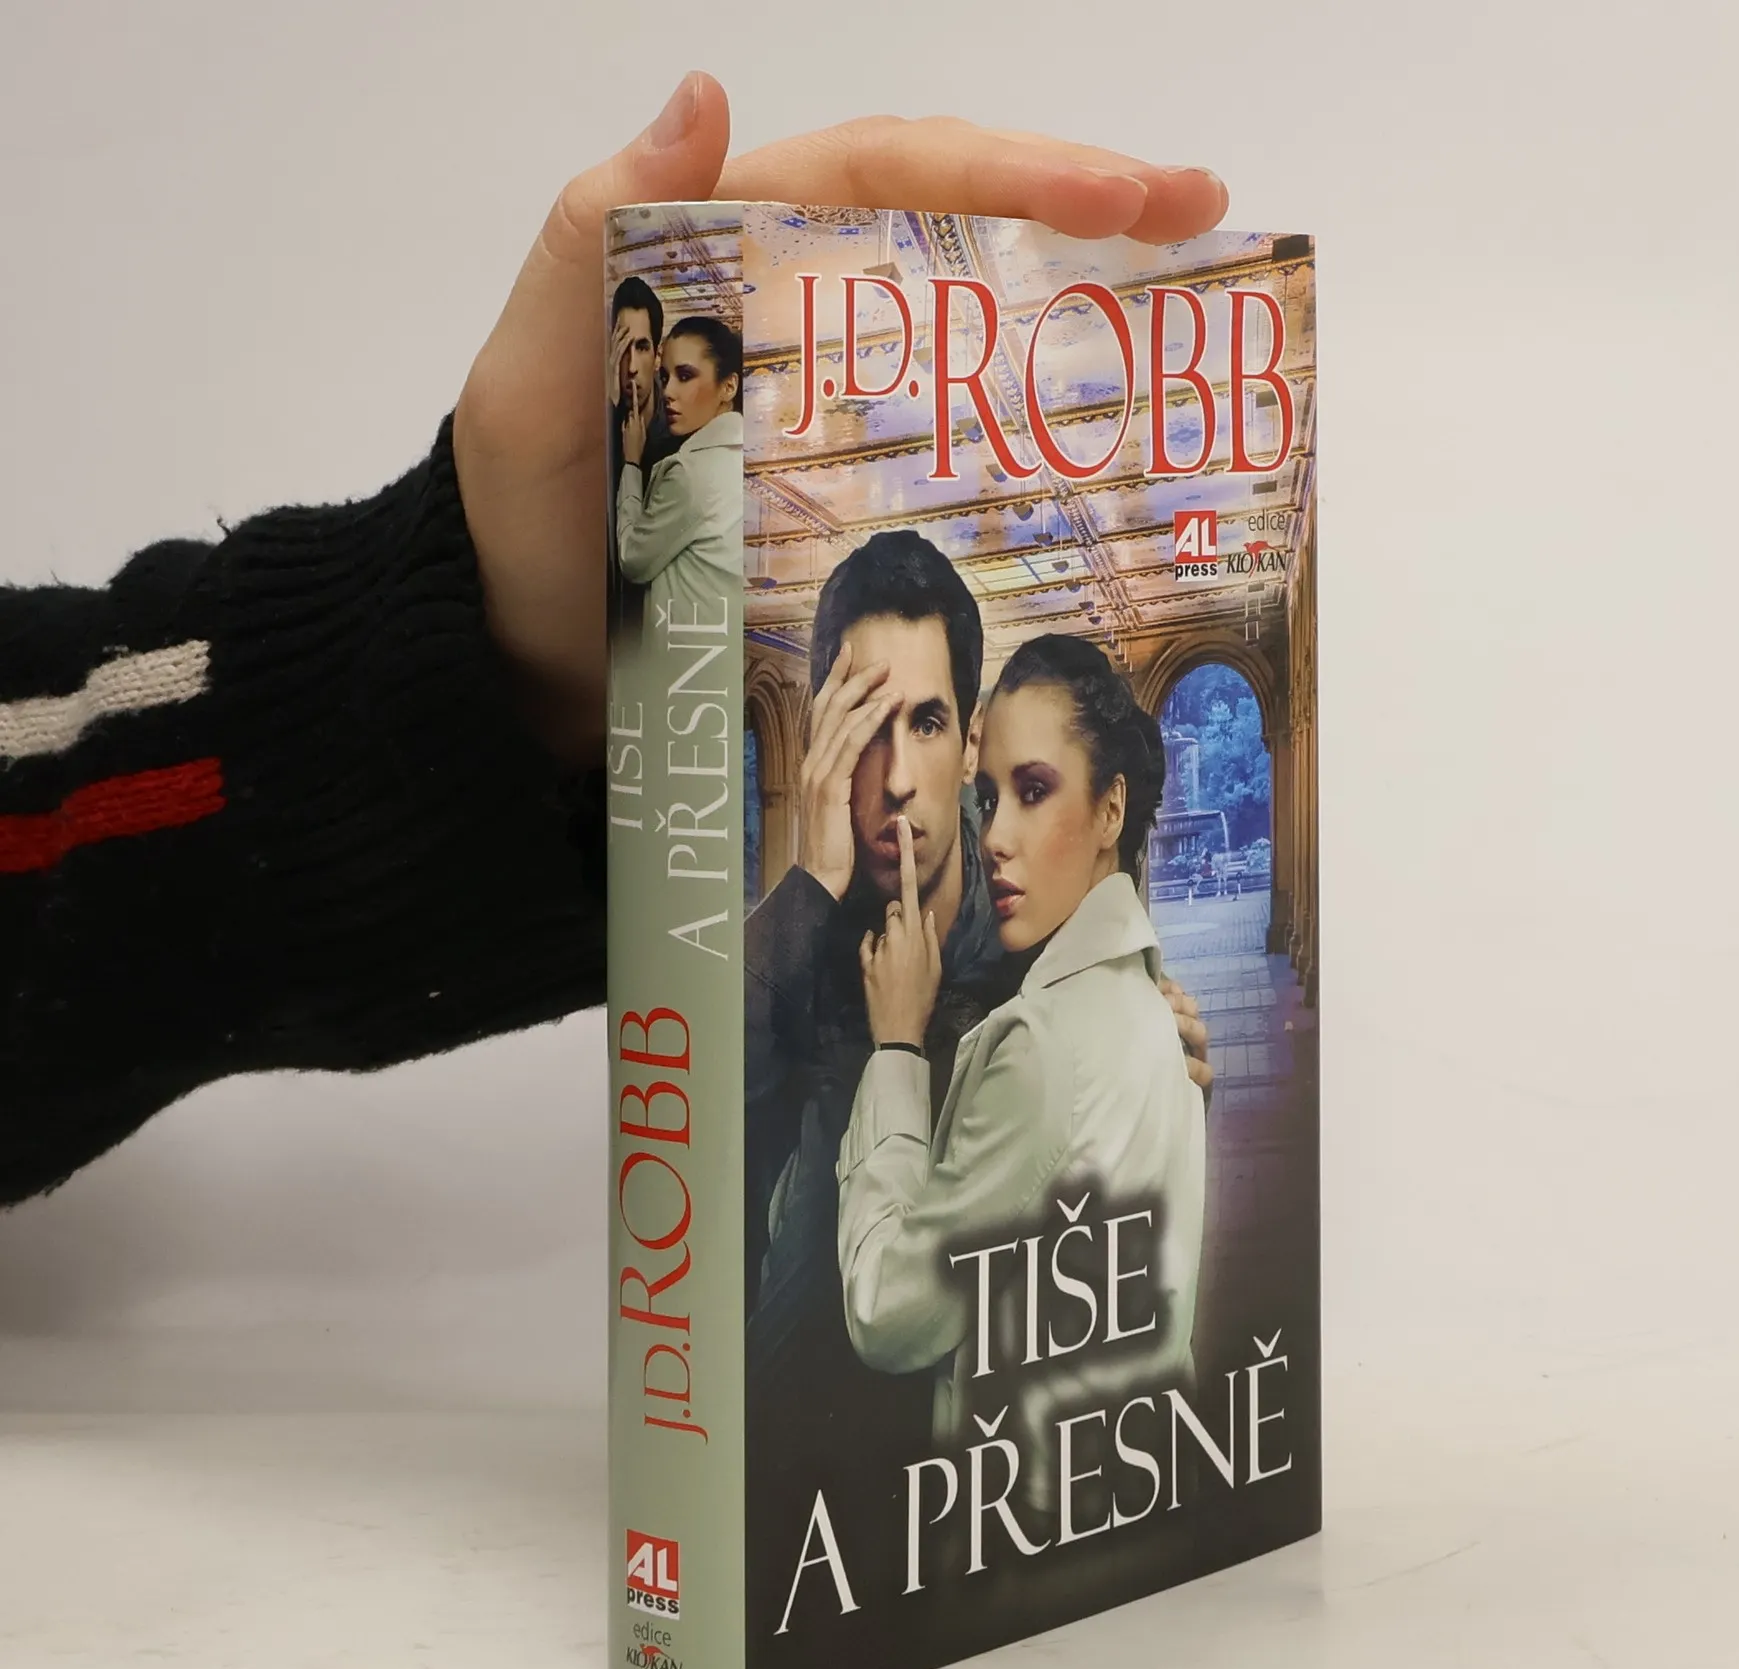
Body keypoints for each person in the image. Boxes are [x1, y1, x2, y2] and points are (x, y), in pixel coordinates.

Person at [1, 68, 1230, 1208]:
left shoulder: (1022, 927)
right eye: (861, 722)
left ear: (969, 740)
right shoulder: (805, 932)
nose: (895, 776)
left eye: (925, 722)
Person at [837, 634, 1207, 1512]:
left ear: (1111, 810)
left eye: (1033, 792)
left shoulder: (1047, 1043)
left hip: (1029, 1522)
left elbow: (886, 1313)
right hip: (1144, 1486)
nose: (995, 836)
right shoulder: (1146, 1008)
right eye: (989, 797)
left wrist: (895, 1051)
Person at [614, 315, 744, 627]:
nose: (668, 391)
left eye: (685, 376)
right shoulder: (742, 455)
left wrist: (631, 464)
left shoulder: (690, 472)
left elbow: (632, 558)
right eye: (664, 376)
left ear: (728, 386)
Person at [605, 275, 673, 635]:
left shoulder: (678, 428)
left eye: (642, 347)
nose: (631, 366)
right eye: (622, 348)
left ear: (657, 354)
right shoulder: (601, 421)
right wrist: (608, 408)